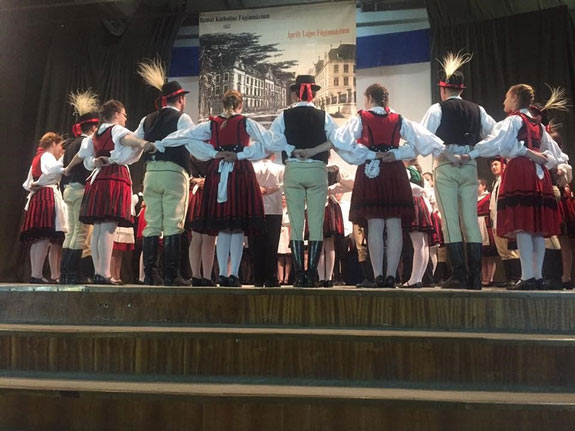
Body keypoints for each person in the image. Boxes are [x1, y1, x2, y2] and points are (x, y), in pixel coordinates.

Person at [155, 90, 272, 287]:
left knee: (225, 226)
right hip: (240, 171)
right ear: (240, 105)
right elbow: (267, 142)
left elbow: (186, 136)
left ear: (223, 104)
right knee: (236, 226)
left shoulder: (212, 123)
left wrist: (161, 143)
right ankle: (232, 274)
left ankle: (225, 276)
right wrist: (241, 155)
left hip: (218, 171)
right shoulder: (245, 122)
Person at [334, 83, 445, 288]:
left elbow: (340, 141)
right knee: (393, 224)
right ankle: (392, 275)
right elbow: (423, 142)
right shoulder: (399, 119)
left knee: (375, 224)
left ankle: (378, 276)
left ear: (369, 98)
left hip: (371, 171)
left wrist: (369, 154)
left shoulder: (362, 118)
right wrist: (396, 154)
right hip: (394, 170)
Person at [465, 84, 571, 290]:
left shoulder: (513, 120)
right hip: (538, 176)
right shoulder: (538, 125)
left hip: (519, 172)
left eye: (506, 97)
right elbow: (558, 154)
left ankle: (527, 276)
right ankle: (537, 276)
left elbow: (496, 143)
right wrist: (542, 158)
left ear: (514, 98)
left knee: (523, 225)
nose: (504, 101)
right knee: (537, 229)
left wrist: (470, 154)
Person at [268, 75, 364, 287]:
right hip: (316, 170)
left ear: (294, 93)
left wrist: (292, 149)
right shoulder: (324, 117)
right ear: (315, 93)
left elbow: (273, 139)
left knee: (295, 223)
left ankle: (299, 275)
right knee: (316, 223)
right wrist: (314, 150)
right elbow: (337, 140)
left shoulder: (284, 116)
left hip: (293, 169)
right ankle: (312, 273)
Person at [421, 51, 496, 290]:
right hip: (469, 166)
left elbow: (425, 138)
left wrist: (447, 154)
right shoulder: (478, 110)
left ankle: (459, 274)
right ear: (461, 90)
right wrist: (472, 154)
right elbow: (495, 137)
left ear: (443, 90)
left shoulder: (437, 109)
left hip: (446, 165)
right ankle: (475, 277)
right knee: (471, 221)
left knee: (451, 221)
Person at [78, 99, 152, 284]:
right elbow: (126, 138)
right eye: (124, 114)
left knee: (99, 229)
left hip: (98, 178)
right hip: (113, 177)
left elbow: (85, 159)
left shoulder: (95, 135)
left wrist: (94, 162)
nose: (126, 118)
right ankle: (104, 273)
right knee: (108, 227)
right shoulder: (115, 129)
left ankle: (98, 271)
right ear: (117, 114)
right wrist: (144, 143)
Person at [134, 59, 195, 286]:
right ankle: (171, 274)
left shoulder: (146, 119)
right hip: (173, 173)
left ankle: (150, 273)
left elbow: (136, 141)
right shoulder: (183, 118)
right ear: (180, 99)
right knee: (172, 223)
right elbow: (190, 141)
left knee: (152, 223)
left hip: (150, 173)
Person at [60, 90, 99, 284]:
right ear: (92, 127)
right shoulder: (86, 143)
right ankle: (73, 273)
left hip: (69, 190)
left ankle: (66, 272)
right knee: (80, 233)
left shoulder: (70, 145)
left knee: (72, 232)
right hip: (80, 190)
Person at [21, 132, 66, 283]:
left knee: (38, 238)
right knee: (43, 237)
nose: (61, 149)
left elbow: (28, 184)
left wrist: (36, 184)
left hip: (38, 196)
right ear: (53, 144)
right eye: (60, 145)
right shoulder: (47, 156)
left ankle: (36, 273)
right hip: (46, 195)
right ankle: (36, 274)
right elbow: (52, 171)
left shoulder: (37, 158)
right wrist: (64, 163)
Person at [249, 153, 284, 287]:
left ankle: (257, 278)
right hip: (274, 208)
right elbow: (282, 184)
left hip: (256, 208)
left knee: (256, 244)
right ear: (273, 156)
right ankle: (271, 277)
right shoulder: (280, 168)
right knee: (272, 244)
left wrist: (260, 189)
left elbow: (248, 184)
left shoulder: (253, 167)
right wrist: (270, 189)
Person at [488, 157, 521, 286]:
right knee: (503, 251)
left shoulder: (508, 179)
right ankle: (509, 278)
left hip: (506, 219)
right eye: (491, 166)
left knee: (511, 250)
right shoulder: (496, 182)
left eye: (496, 164)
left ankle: (516, 277)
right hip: (496, 219)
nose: (493, 167)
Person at [402, 159, 435, 288]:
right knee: (423, 244)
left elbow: (405, 185)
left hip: (413, 203)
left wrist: (419, 190)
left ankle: (415, 278)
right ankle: (418, 277)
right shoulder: (418, 173)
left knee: (418, 244)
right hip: (421, 203)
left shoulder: (407, 171)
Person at [187, 157, 216, 286]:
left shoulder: (191, 152)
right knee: (206, 237)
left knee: (198, 237)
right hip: (206, 194)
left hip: (200, 194)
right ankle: (205, 277)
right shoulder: (213, 152)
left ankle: (197, 276)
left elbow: (187, 176)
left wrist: (196, 180)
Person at [477, 178, 497, 287]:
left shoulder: (489, 197)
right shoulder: (473, 198)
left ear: (483, 186)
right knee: (482, 255)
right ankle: (483, 277)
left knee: (489, 254)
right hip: (477, 224)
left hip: (485, 224)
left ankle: (490, 278)